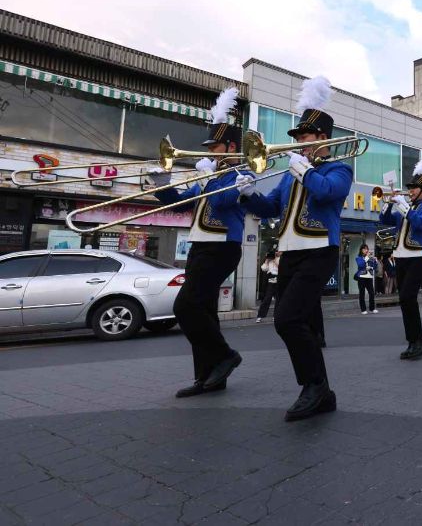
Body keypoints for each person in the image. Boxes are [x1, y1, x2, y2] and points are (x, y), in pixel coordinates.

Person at [236, 76, 352, 421]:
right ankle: (319, 389)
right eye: (298, 138)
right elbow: (271, 207)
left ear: (323, 140)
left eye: (305, 137)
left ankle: (316, 387)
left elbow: (328, 193)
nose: (299, 143)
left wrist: (304, 171)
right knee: (288, 321)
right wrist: (247, 195)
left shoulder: (339, 168)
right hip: (290, 252)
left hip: (319, 250)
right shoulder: (290, 175)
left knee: (288, 319)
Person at [151, 87, 247, 398]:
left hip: (222, 247)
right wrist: (164, 186)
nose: (208, 151)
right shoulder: (209, 173)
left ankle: (225, 356)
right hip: (199, 245)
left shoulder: (241, 174)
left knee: (186, 306)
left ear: (230, 146)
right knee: (204, 311)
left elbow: (224, 202)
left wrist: (208, 179)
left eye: (215, 146)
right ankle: (207, 377)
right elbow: (179, 204)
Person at [378, 155, 422, 360]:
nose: (410, 191)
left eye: (413, 188)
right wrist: (388, 203)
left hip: (418, 256)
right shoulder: (405, 209)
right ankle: (413, 341)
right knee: (405, 301)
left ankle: (417, 340)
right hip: (401, 257)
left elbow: (421, 225)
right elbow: (384, 219)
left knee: (407, 297)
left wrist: (403, 206)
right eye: (409, 187)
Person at [256, 250, 280, 322]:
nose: (277, 253)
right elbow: (264, 268)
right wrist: (266, 261)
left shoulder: (281, 258)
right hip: (271, 279)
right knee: (267, 298)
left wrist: (276, 258)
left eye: (278, 252)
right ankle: (260, 316)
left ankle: (275, 316)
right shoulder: (269, 260)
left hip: (279, 278)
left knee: (278, 299)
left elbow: (281, 267)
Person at [355, 245, 378, 314]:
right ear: (361, 250)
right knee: (362, 294)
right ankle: (363, 309)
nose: (366, 250)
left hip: (369, 277)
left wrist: (375, 262)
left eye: (367, 249)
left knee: (371, 293)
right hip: (361, 277)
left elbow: (374, 267)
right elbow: (360, 265)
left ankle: (372, 308)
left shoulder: (370, 258)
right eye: (364, 249)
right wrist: (367, 257)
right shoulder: (358, 257)